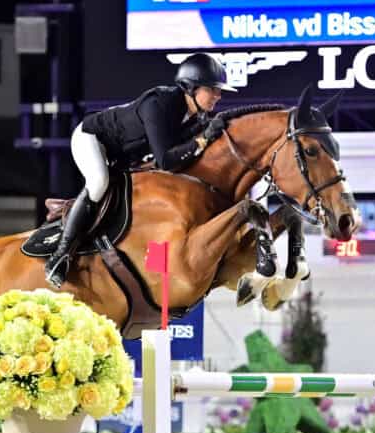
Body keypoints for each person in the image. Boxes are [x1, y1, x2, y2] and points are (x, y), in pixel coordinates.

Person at [45, 52, 236, 288]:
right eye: (212, 89)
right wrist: (202, 140)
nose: (218, 96)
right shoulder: (158, 104)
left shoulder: (196, 117)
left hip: (123, 157)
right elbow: (166, 160)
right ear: (191, 87)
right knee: (98, 182)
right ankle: (60, 255)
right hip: (92, 139)